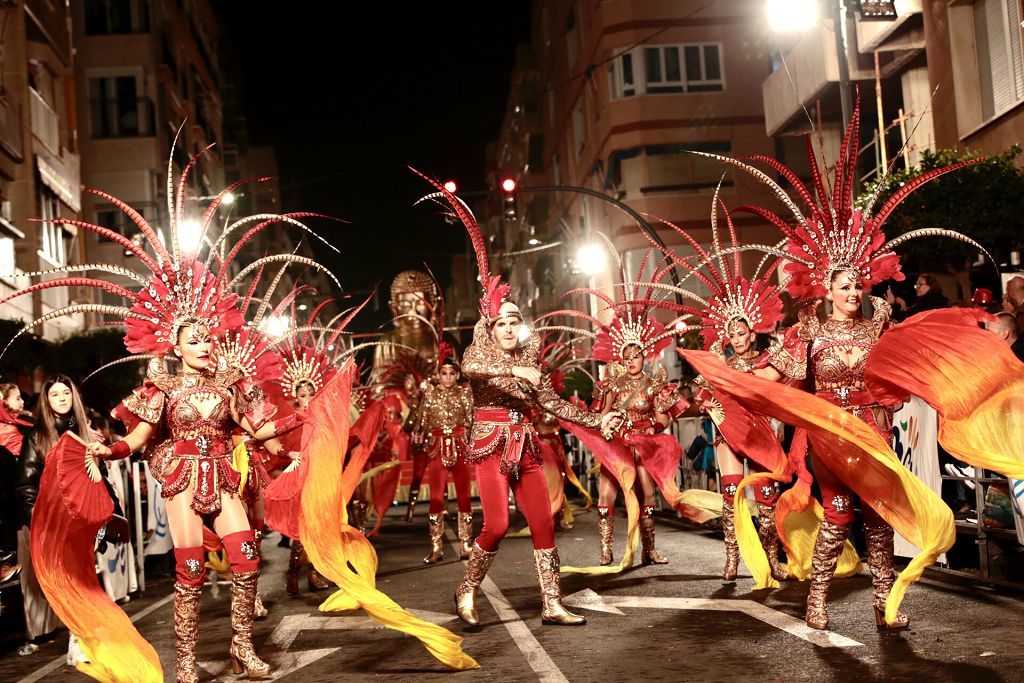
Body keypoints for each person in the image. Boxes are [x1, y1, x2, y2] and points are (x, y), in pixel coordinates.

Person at [413, 172, 621, 627]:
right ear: (490, 329)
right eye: (501, 322)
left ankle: (552, 604)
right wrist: (512, 369)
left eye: (514, 321)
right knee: (498, 526)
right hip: (488, 445)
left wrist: (596, 421)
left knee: (543, 522)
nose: (509, 327)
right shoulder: (478, 354)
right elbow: (471, 371)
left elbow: (553, 404)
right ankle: (466, 589)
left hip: (525, 444)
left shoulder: (532, 361)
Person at [15, 376, 94, 656]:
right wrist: (40, 520)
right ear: (46, 402)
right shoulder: (37, 436)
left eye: (66, 393)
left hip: (83, 521)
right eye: (54, 395)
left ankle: (82, 636)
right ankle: (78, 637)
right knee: (66, 582)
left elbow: (98, 479)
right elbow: (25, 485)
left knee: (84, 581)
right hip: (52, 523)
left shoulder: (86, 432)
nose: (61, 398)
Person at [411, 352, 474, 563]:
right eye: (443, 373)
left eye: (451, 373)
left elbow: (472, 421)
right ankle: (436, 546)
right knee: (436, 497)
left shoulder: (465, 394)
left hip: (460, 445)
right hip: (437, 447)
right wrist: (418, 431)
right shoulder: (430, 395)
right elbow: (420, 420)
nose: (447, 377)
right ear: (438, 375)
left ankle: (466, 543)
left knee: (464, 495)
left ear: (457, 375)